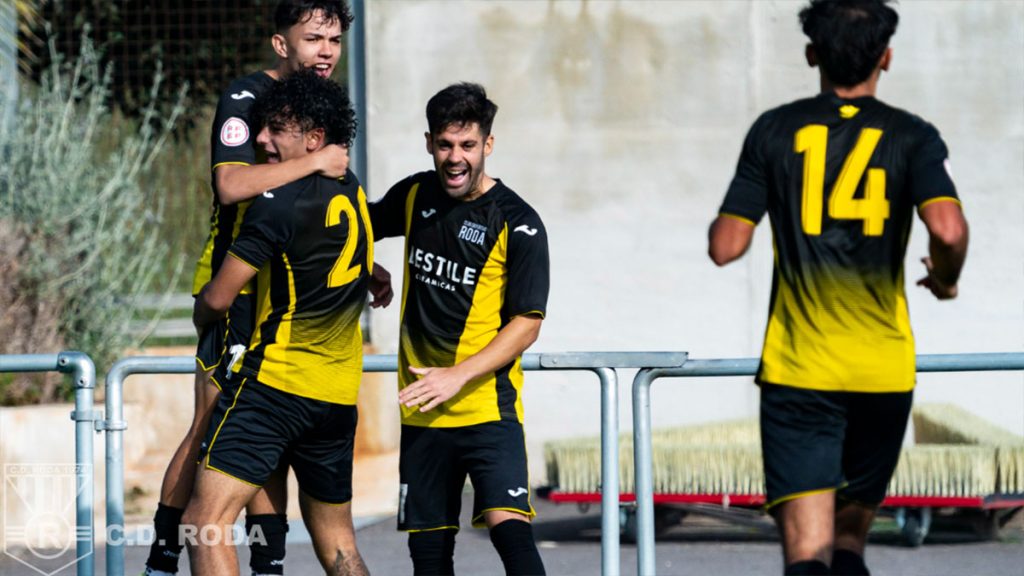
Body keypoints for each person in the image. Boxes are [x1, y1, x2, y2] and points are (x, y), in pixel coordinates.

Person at [707, 1, 968, 575]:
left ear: (811, 55)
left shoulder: (773, 130)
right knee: (849, 544)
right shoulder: (914, 135)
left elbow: (726, 247)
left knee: (807, 555)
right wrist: (945, 282)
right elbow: (948, 230)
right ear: (887, 57)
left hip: (800, 371)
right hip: (883, 371)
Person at [144, 2, 352, 575]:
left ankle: (269, 563)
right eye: (313, 38)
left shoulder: (318, 107)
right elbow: (232, 185)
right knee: (215, 425)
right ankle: (162, 558)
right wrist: (313, 165)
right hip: (231, 289)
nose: (327, 50)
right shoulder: (244, 98)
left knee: (264, 440)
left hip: (281, 295)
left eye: (335, 38)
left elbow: (329, 192)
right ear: (281, 45)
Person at [183, 69, 376, 576]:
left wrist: (201, 309)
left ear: (314, 140)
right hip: (336, 397)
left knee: (204, 523)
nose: (261, 140)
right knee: (339, 546)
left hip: (275, 387)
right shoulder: (351, 189)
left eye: (276, 130)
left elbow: (221, 297)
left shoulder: (277, 203)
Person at [369, 83, 549, 576]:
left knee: (512, 537)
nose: (455, 158)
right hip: (423, 416)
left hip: (488, 411)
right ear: (429, 142)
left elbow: (526, 324)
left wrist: (457, 375)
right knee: (428, 560)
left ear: (487, 145)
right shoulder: (414, 194)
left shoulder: (519, 221)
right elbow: (349, 227)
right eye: (445, 145)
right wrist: (366, 264)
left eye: (467, 145)